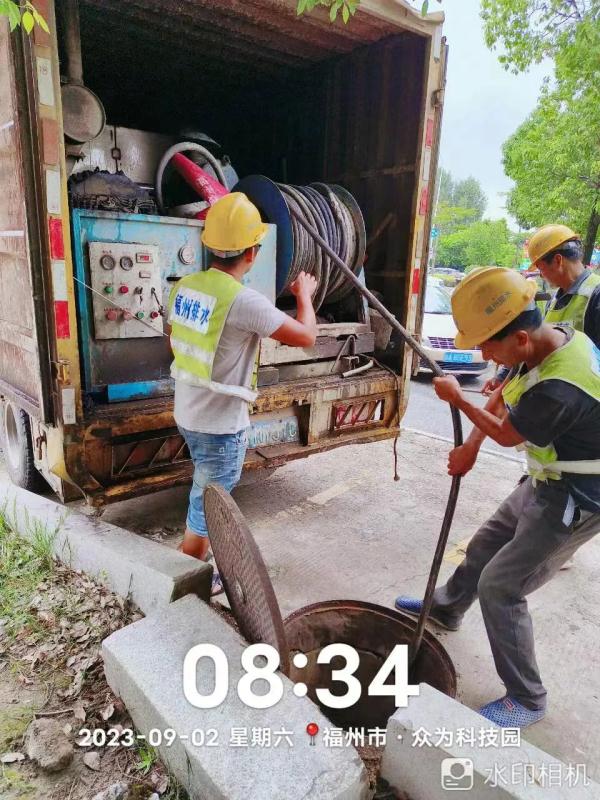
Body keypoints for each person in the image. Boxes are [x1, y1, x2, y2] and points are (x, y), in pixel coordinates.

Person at [395, 267, 600, 728]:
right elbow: (507, 392)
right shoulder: (550, 339)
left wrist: (458, 399)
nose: (485, 356)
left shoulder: (561, 387)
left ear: (521, 338)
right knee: (486, 543)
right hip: (548, 476)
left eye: (488, 346)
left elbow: (508, 434)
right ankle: (446, 608)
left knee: (501, 586)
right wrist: (469, 447)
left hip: (579, 495)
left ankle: (527, 697)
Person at [168, 193, 318, 589]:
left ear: (209, 245)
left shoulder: (185, 287)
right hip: (219, 426)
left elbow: (176, 339)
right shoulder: (245, 301)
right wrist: (304, 295)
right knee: (207, 507)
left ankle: (195, 568)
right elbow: (306, 337)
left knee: (203, 493)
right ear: (252, 253)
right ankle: (188, 581)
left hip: (188, 413)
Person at [482, 224, 600, 396]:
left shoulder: (595, 295)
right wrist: (501, 377)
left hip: (579, 400)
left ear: (558, 261)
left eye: (540, 267)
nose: (541, 275)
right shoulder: (553, 300)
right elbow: (531, 342)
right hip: (549, 393)